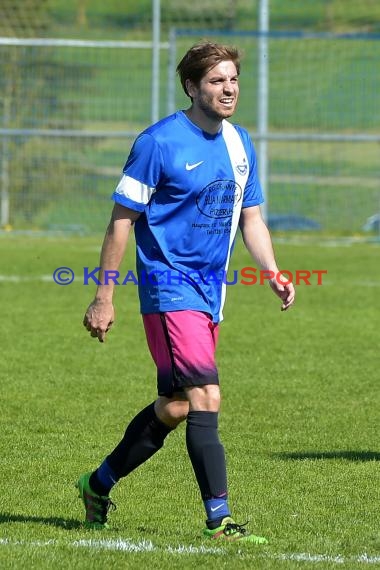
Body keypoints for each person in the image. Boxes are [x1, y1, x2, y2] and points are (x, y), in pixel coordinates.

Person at [78, 41, 295, 543]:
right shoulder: (158, 143)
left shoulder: (240, 144)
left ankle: (96, 484)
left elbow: (252, 219)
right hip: (168, 287)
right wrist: (104, 297)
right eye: (217, 81)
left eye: (234, 79)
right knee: (206, 396)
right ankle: (219, 521)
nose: (229, 89)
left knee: (176, 407)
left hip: (210, 293)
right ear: (192, 87)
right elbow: (120, 223)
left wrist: (272, 270)